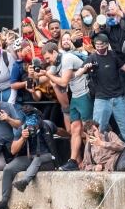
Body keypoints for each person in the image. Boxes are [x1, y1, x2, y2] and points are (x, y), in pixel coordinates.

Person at [0, 105, 54, 209]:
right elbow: (13, 150)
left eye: (34, 121)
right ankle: (4, 203)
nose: (32, 125)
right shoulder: (22, 129)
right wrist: (23, 138)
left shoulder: (47, 125)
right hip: (30, 157)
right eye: (29, 121)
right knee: (8, 168)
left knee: (37, 159)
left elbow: (62, 131)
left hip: (47, 158)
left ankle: (24, 182)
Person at [39, 41, 92, 171]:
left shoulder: (67, 58)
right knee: (74, 129)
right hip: (75, 96)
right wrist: (37, 74)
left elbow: (63, 82)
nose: (48, 61)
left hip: (84, 94)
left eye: (48, 58)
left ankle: (91, 159)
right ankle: (73, 161)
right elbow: (42, 79)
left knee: (88, 130)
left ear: (55, 52)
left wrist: (48, 75)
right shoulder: (56, 62)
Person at [83, 33, 125, 144]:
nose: (100, 47)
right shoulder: (91, 57)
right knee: (97, 130)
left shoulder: (113, 55)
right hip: (101, 99)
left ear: (107, 44)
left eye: (102, 45)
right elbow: (79, 72)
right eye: (97, 45)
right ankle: (96, 155)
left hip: (119, 98)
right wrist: (85, 69)